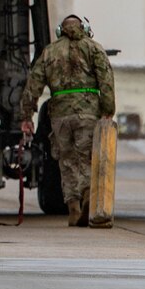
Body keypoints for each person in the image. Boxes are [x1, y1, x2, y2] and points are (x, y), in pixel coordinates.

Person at [20, 13, 116, 227]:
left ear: (59, 30)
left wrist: (26, 116)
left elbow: (32, 86)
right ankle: (87, 194)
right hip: (88, 112)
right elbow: (106, 81)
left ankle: (73, 207)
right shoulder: (94, 48)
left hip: (60, 115)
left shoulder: (49, 52)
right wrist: (108, 110)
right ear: (85, 28)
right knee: (87, 157)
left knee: (66, 160)